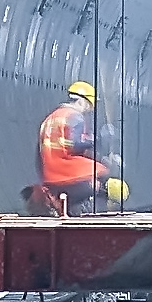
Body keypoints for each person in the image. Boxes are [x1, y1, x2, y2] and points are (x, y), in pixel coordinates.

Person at [36, 80, 126, 213]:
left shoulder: (50, 118)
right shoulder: (74, 116)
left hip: (48, 171)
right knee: (102, 171)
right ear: (82, 102)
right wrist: (99, 139)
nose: (87, 111)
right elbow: (75, 145)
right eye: (88, 107)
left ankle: (62, 206)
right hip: (64, 168)